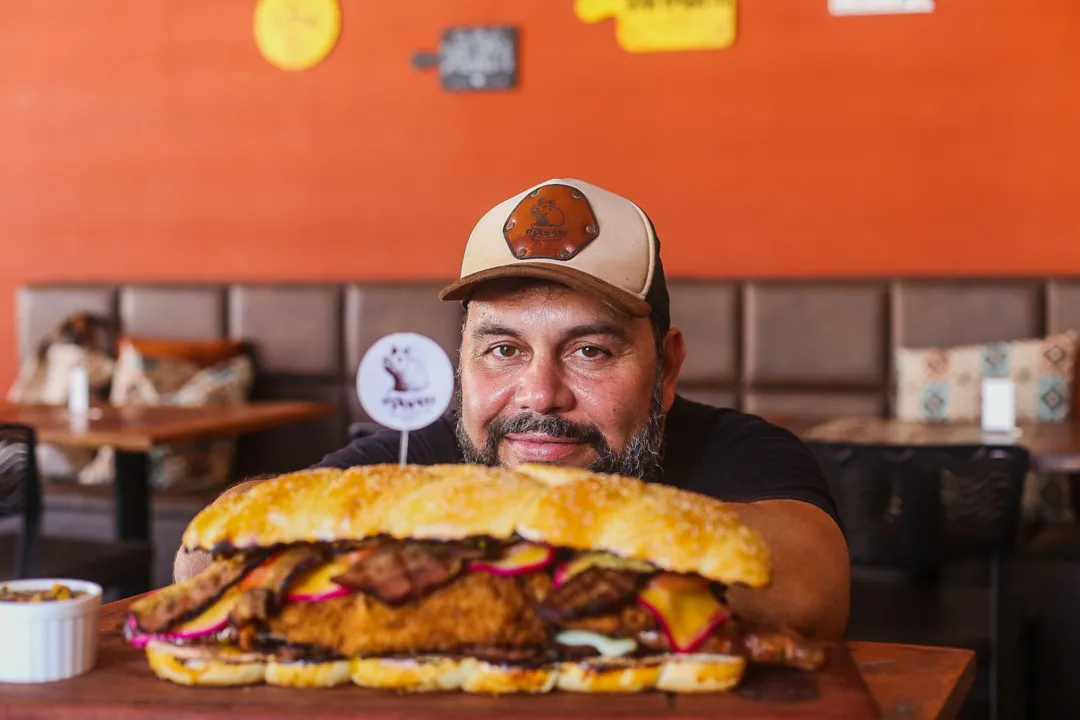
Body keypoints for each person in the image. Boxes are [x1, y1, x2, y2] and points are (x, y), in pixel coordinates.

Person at [174, 178, 850, 639]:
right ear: (462, 358)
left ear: (665, 368)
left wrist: (486, 536)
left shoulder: (741, 451)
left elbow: (810, 588)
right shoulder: (413, 460)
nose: (539, 395)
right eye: (502, 349)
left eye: (590, 352)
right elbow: (202, 560)